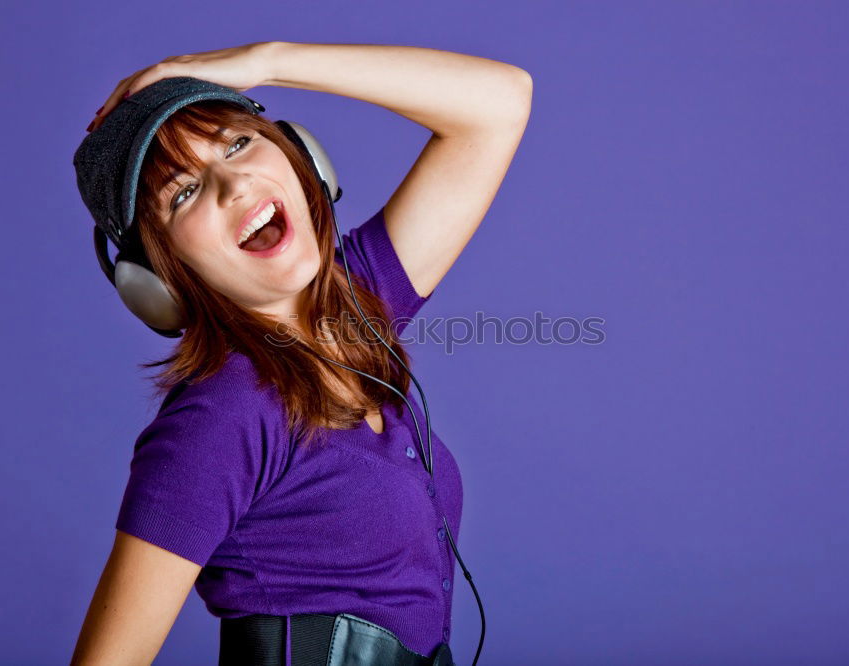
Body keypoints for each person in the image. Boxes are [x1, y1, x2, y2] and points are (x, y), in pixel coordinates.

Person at [69, 41, 532, 666]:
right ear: (158, 281)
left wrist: (267, 60)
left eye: (238, 143)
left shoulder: (358, 304)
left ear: (302, 157)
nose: (235, 184)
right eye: (183, 193)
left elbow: (498, 103)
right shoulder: (219, 420)